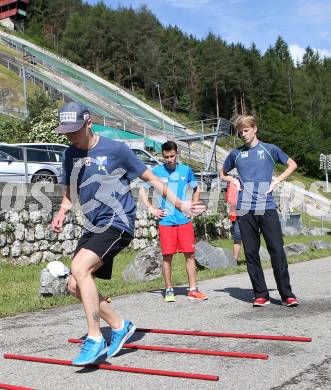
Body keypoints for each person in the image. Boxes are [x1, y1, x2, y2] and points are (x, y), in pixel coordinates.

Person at [51, 102, 201, 366]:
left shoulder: (116, 150)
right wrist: (62, 210)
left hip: (118, 221)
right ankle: (120, 327)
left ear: (89, 123)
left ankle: (95, 338)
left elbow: (153, 179)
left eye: (74, 130)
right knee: (75, 283)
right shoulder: (70, 154)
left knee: (79, 267)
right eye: (66, 132)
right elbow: (70, 193)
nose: (70, 137)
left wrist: (181, 204)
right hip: (93, 224)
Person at [221, 114, 299, 308]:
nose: (243, 135)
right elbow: (222, 173)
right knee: (251, 253)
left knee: (277, 251)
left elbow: (292, 165)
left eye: (246, 130)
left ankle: (286, 294)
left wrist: (276, 181)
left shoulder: (270, 149)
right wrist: (233, 180)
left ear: (255, 129)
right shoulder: (235, 154)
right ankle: (260, 294)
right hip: (245, 208)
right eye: (240, 132)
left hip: (267, 207)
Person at [139, 141, 208, 302]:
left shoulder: (186, 170)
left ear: (177, 153)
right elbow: (142, 189)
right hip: (166, 222)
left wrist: (193, 207)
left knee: (190, 255)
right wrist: (151, 208)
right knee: (167, 257)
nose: (169, 159)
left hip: (184, 220)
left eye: (172, 156)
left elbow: (196, 188)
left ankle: (192, 289)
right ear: (162, 156)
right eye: (166, 157)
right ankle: (169, 289)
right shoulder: (156, 172)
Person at [225, 180, 241, 261]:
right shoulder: (232, 182)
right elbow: (229, 199)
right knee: (237, 236)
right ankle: (234, 261)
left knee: (249, 236)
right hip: (235, 212)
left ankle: (253, 258)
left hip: (246, 211)